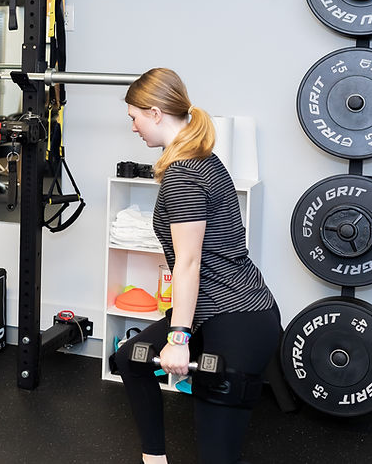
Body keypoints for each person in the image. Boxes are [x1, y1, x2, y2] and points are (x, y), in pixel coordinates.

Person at [113, 68, 279, 464]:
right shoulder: (202, 158)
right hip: (216, 311)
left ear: (155, 113)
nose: (133, 127)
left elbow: (188, 263)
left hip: (237, 319)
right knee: (130, 358)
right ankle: (154, 459)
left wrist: (178, 338)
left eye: (134, 117)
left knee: (217, 456)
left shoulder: (184, 175)